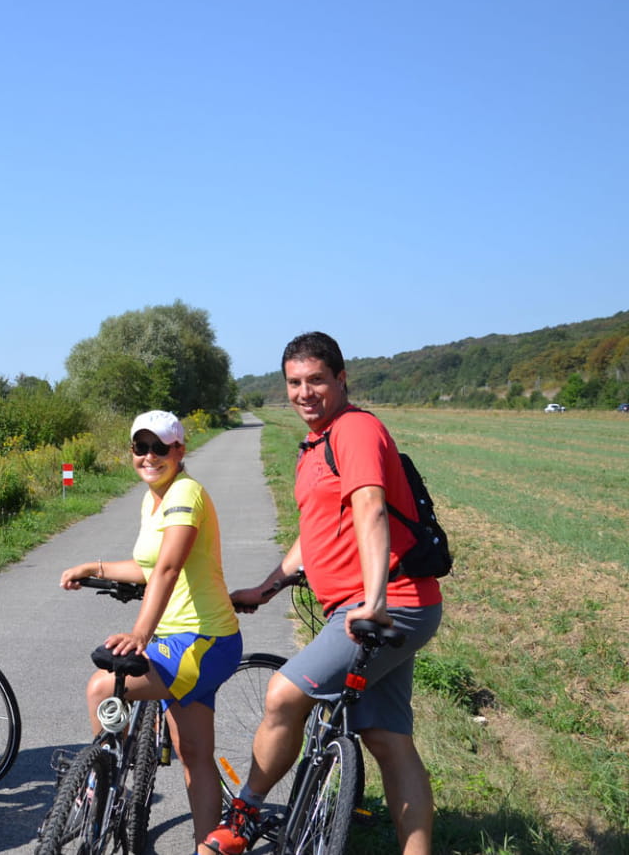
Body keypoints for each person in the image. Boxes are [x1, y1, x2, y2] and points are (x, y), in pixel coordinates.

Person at [198, 332, 443, 855]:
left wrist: (372, 602)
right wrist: (269, 586)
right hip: (388, 606)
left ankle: (241, 817)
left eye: (316, 380)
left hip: (385, 603)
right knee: (388, 740)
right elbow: (315, 533)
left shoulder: (353, 430)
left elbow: (371, 509)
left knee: (284, 694)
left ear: (341, 379)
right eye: (294, 382)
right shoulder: (317, 444)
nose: (304, 392)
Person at [58, 410, 243, 844]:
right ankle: (206, 847)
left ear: (180, 450)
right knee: (194, 754)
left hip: (203, 640)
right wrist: (95, 566)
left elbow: (169, 567)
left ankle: (100, 791)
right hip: (185, 639)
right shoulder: (152, 497)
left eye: (160, 447)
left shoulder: (185, 493)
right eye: (141, 448)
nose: (149, 456)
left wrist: (140, 634)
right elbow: (145, 567)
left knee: (102, 687)